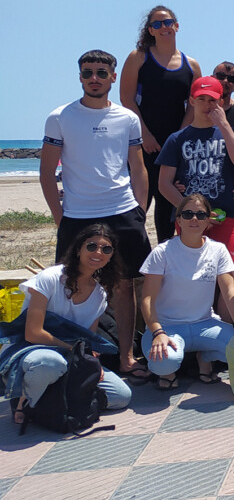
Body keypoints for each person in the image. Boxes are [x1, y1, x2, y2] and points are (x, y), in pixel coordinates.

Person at [41, 49, 153, 382]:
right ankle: (81, 357)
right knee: (75, 287)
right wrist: (60, 217)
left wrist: (139, 210)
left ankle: (127, 357)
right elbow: (47, 172)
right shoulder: (59, 117)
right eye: (88, 72)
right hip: (78, 216)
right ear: (80, 77)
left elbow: (138, 168)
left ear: (112, 77)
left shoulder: (127, 118)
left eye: (101, 72)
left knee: (124, 287)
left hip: (122, 211)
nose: (94, 78)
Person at [3, 226, 132, 424]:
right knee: (50, 364)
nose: (98, 253)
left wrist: (91, 364)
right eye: (91, 246)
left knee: (120, 395)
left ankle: (49, 401)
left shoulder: (99, 295)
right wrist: (72, 349)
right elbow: (33, 333)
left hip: (70, 355)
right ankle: (24, 401)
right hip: (32, 349)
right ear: (78, 249)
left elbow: (89, 341)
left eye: (106, 249)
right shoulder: (51, 278)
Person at [155, 77, 234, 320]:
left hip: (225, 214)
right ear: (192, 101)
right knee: (193, 275)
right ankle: (195, 326)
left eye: (213, 101)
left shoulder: (230, 133)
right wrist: (192, 213)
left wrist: (225, 126)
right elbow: (164, 183)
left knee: (233, 276)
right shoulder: (177, 139)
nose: (207, 105)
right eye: (202, 99)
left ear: (222, 103)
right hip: (190, 219)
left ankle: (225, 333)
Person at [140, 195, 234, 390]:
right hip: (168, 326)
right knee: (165, 360)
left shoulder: (218, 250)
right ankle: (168, 373)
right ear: (179, 219)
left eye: (201, 215)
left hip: (205, 324)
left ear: (209, 219)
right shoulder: (162, 252)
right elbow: (147, 299)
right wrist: (157, 332)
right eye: (188, 214)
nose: (194, 219)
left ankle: (205, 356)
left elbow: (228, 291)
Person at [120, 5, 202, 242]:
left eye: (168, 22)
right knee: (138, 204)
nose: (164, 27)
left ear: (176, 26)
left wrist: (179, 138)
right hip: (143, 143)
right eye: (157, 24)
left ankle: (166, 260)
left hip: (175, 144)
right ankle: (132, 264)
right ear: (150, 30)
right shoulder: (139, 57)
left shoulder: (192, 65)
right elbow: (126, 98)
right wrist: (144, 134)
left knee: (169, 207)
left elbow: (194, 105)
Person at [212, 61, 234, 130]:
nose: (225, 81)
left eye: (231, 78)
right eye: (221, 76)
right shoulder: (200, 108)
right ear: (212, 77)